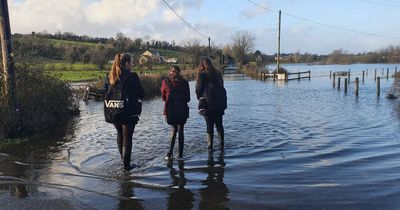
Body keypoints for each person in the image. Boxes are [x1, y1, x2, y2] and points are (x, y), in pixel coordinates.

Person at [104, 53, 144, 170]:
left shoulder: (109, 76)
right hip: (128, 111)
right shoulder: (132, 76)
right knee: (128, 137)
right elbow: (141, 93)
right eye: (132, 62)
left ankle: (123, 160)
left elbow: (105, 91)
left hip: (113, 111)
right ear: (126, 64)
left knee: (119, 134)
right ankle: (127, 167)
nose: (133, 64)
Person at [195, 57, 225, 152]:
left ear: (202, 65)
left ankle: (210, 148)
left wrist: (200, 97)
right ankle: (222, 146)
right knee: (219, 125)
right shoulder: (218, 73)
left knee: (209, 125)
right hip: (219, 104)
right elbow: (222, 86)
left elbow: (199, 89)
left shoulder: (202, 74)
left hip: (208, 104)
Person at [161, 65, 190, 160]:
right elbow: (188, 98)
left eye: (173, 71)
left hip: (172, 110)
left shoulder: (166, 82)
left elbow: (163, 97)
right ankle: (179, 155)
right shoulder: (184, 82)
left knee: (174, 130)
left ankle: (170, 153)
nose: (172, 73)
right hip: (179, 109)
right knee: (180, 131)